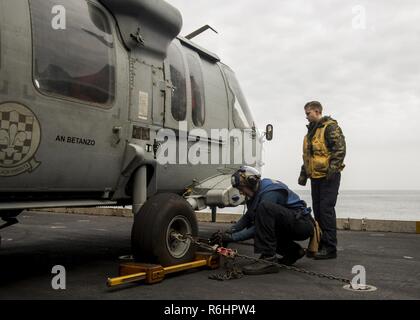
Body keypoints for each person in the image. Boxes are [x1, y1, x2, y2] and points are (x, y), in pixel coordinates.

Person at [224, 166, 314, 275]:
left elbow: (258, 227)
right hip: (291, 222)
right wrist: (229, 231)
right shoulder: (257, 191)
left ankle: (268, 259)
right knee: (265, 226)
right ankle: (293, 252)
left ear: (251, 182)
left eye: (241, 189)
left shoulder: (270, 192)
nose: (241, 193)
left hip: (302, 225)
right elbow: (248, 217)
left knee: (264, 213)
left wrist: (233, 238)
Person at [298, 101, 346, 260]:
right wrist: (303, 174)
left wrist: (332, 171)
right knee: (318, 211)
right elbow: (309, 157)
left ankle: (331, 248)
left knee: (326, 210)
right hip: (316, 178)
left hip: (328, 177)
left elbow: (339, 149)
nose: (306, 116)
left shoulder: (329, 127)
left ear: (317, 111)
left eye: (308, 113)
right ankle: (321, 245)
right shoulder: (311, 133)